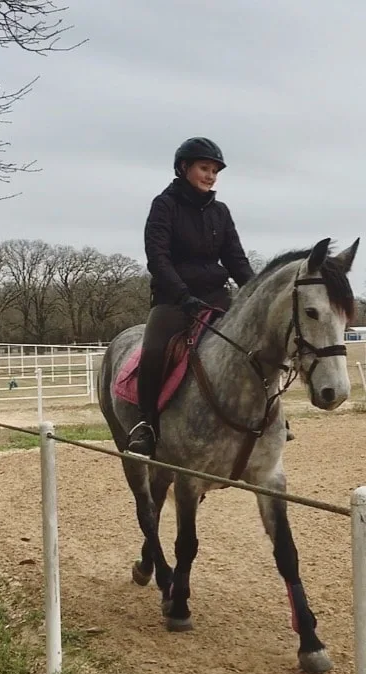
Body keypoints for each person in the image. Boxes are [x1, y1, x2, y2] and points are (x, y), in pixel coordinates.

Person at [127, 137, 294, 456]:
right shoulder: (164, 205)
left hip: (217, 296)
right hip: (173, 299)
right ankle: (146, 423)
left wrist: (256, 292)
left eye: (215, 171)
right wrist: (182, 295)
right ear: (183, 168)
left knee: (257, 345)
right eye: (205, 168)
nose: (211, 175)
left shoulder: (220, 211)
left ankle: (272, 417)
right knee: (154, 351)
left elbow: (235, 259)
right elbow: (157, 257)